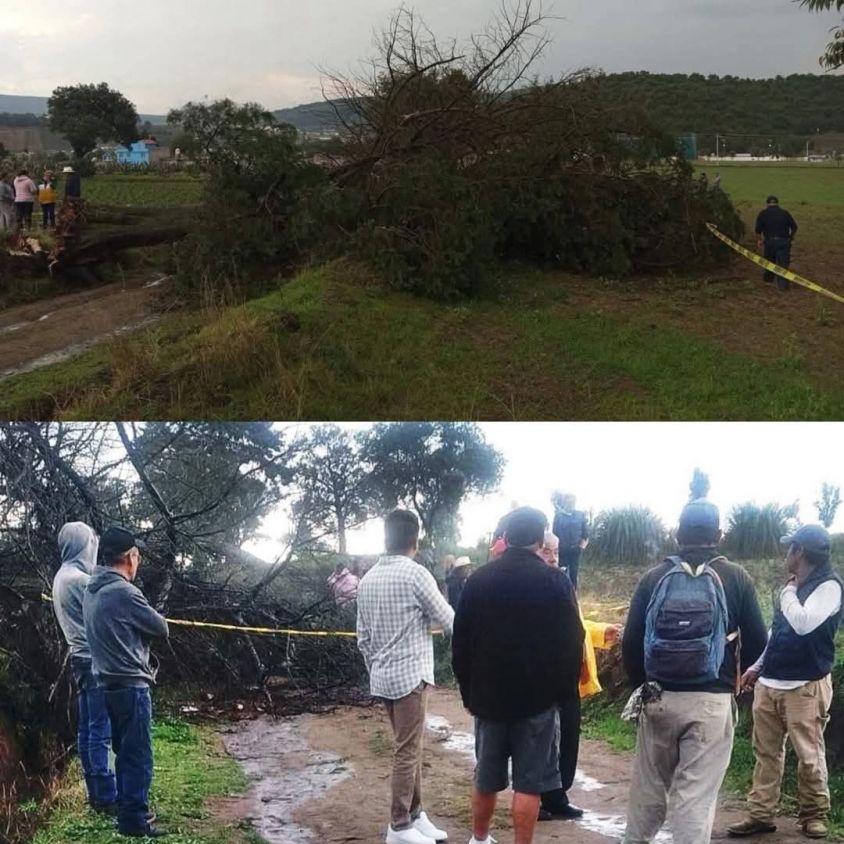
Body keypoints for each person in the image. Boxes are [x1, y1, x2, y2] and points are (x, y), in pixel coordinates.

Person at [621, 497, 768, 844]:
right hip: (711, 702)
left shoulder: (654, 577)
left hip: (658, 695)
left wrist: (644, 687)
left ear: (677, 534)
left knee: (648, 791)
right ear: (719, 535)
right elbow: (760, 642)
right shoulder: (737, 577)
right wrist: (735, 681)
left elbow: (630, 643)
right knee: (695, 798)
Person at [452, 507, 584, 844]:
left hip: (488, 700)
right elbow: (573, 642)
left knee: (486, 778)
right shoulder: (555, 581)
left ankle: (479, 839)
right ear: (540, 540)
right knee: (528, 784)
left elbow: (461, 643)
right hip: (538, 703)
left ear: (506, 538)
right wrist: (563, 694)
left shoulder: (478, 580)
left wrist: (468, 694)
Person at [728, 525, 842, 840]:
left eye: (789, 548)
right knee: (765, 753)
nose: (785, 554)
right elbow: (779, 633)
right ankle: (761, 814)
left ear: (799, 552)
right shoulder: (792, 587)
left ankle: (814, 815)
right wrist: (757, 666)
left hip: (805, 686)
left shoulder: (829, 587)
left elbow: (803, 624)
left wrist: (788, 593)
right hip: (771, 681)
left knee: (809, 753)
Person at [356, 510, 455, 844]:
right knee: (407, 750)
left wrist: (376, 667)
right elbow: (449, 618)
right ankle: (398, 825)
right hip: (411, 676)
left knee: (409, 746)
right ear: (415, 539)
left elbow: (363, 639)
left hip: (383, 677)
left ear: (386, 538)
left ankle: (415, 814)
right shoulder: (416, 575)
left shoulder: (367, 579)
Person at [83, 526, 169, 838]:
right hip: (131, 686)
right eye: (137, 555)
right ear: (130, 557)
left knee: (124, 751)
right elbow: (160, 628)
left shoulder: (92, 588)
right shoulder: (124, 592)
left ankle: (127, 809)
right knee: (138, 756)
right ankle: (134, 821)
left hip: (107, 684)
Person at [537, 530, 621, 822]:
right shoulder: (530, 586)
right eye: (546, 550)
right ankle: (537, 799)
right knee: (543, 741)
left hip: (569, 678)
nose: (552, 557)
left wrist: (599, 632)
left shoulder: (562, 583)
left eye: (556, 552)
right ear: (534, 549)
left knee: (568, 739)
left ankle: (558, 796)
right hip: (542, 679)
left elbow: (576, 623)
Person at [51, 522, 118, 815]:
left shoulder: (63, 575)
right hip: (93, 661)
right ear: (81, 545)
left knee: (88, 728)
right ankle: (105, 797)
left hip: (79, 658)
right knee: (99, 731)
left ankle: (97, 793)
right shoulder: (79, 580)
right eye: (90, 543)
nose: (94, 548)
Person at [755, 195, 798, 291]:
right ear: (777, 203)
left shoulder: (763, 213)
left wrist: (760, 240)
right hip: (783, 241)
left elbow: (758, 230)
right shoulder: (785, 213)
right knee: (783, 264)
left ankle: (768, 279)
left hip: (770, 242)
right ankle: (783, 286)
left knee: (769, 261)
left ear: (767, 204)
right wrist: (790, 238)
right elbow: (794, 226)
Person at [551, 492, 589, 590]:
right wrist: (555, 550)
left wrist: (581, 547)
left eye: (573, 501)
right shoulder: (558, 516)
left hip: (575, 549)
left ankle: (573, 594)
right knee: (561, 572)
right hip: (562, 550)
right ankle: (560, 592)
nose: (571, 503)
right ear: (564, 502)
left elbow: (585, 534)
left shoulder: (580, 515)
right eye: (568, 501)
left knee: (573, 573)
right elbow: (554, 534)